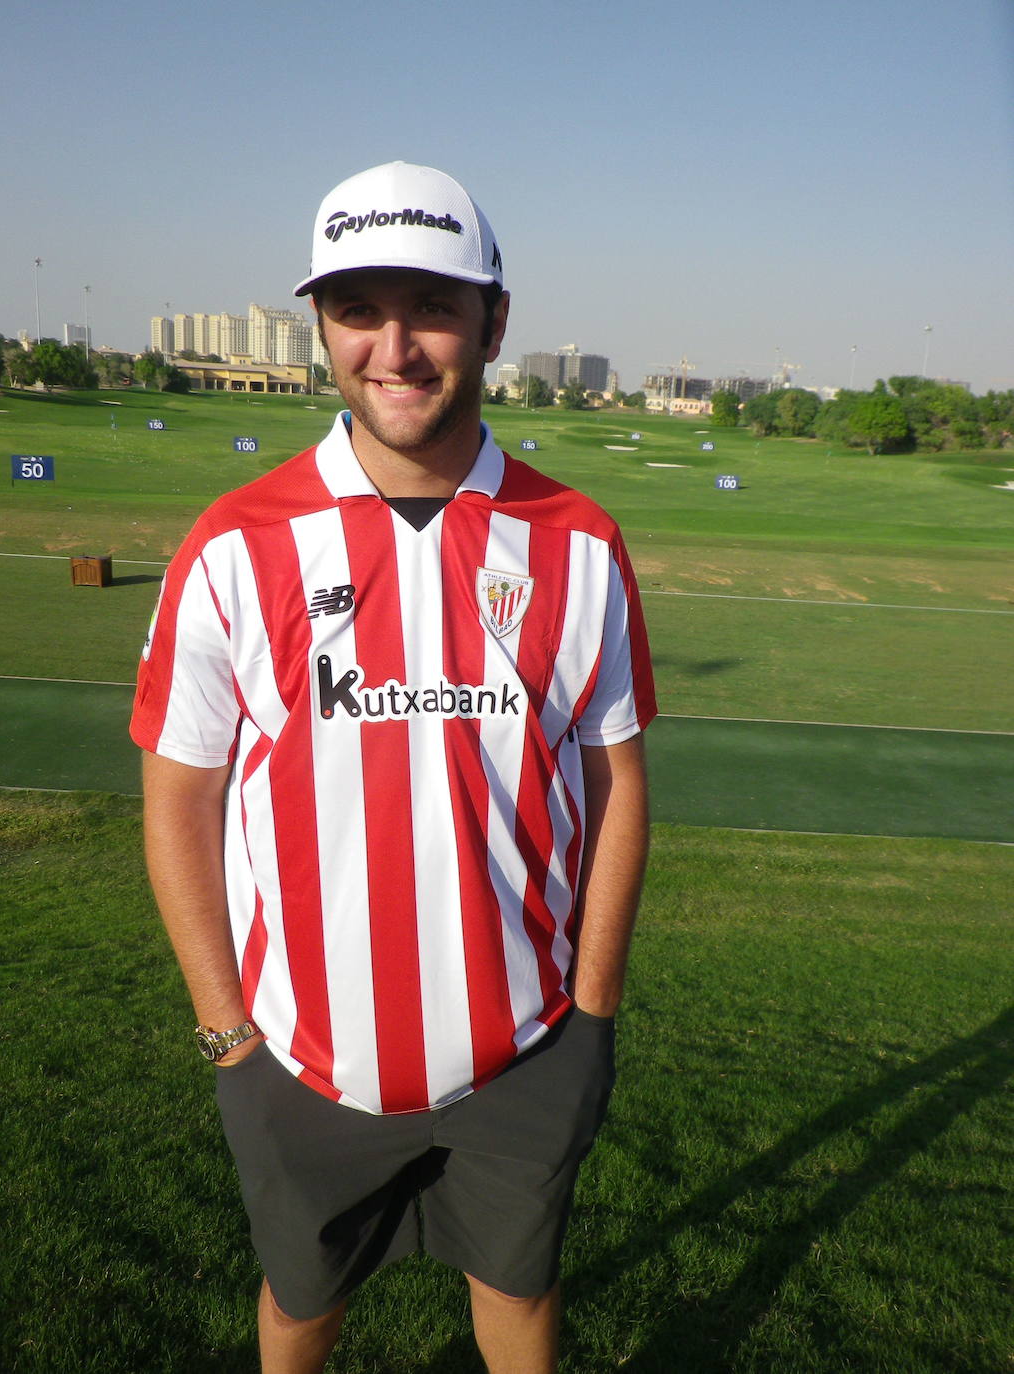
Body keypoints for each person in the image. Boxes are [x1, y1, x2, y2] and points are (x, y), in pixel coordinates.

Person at [131, 160, 656, 1374]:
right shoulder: (232, 544)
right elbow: (178, 798)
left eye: (429, 305)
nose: (395, 346)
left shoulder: (574, 542)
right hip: (298, 1056)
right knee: (300, 1305)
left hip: (528, 1049)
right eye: (357, 309)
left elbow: (617, 779)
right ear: (319, 324)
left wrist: (591, 1013)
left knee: (519, 1300)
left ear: (494, 319)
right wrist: (227, 1036)